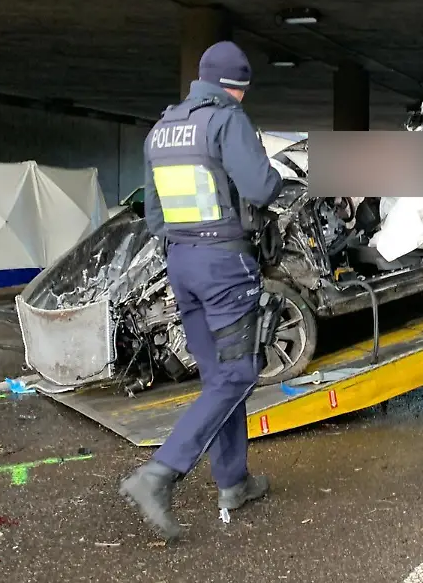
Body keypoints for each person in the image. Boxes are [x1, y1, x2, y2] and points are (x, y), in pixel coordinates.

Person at [120, 40, 284, 540]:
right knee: (240, 372)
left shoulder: (162, 129)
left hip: (182, 261)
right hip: (223, 264)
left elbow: (154, 216)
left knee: (218, 376)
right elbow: (260, 188)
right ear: (239, 86)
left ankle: (233, 481)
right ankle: (159, 473)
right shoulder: (227, 119)